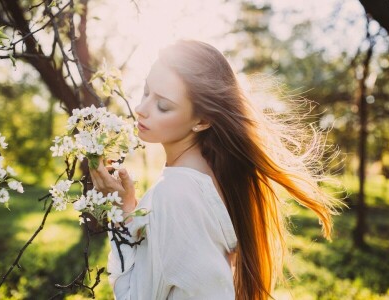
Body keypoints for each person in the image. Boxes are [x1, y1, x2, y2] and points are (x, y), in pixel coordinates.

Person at [90, 40, 341, 300]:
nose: (140, 109)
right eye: (145, 92)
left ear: (202, 120)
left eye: (163, 105)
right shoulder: (212, 177)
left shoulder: (174, 194)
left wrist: (121, 215)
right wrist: (130, 209)